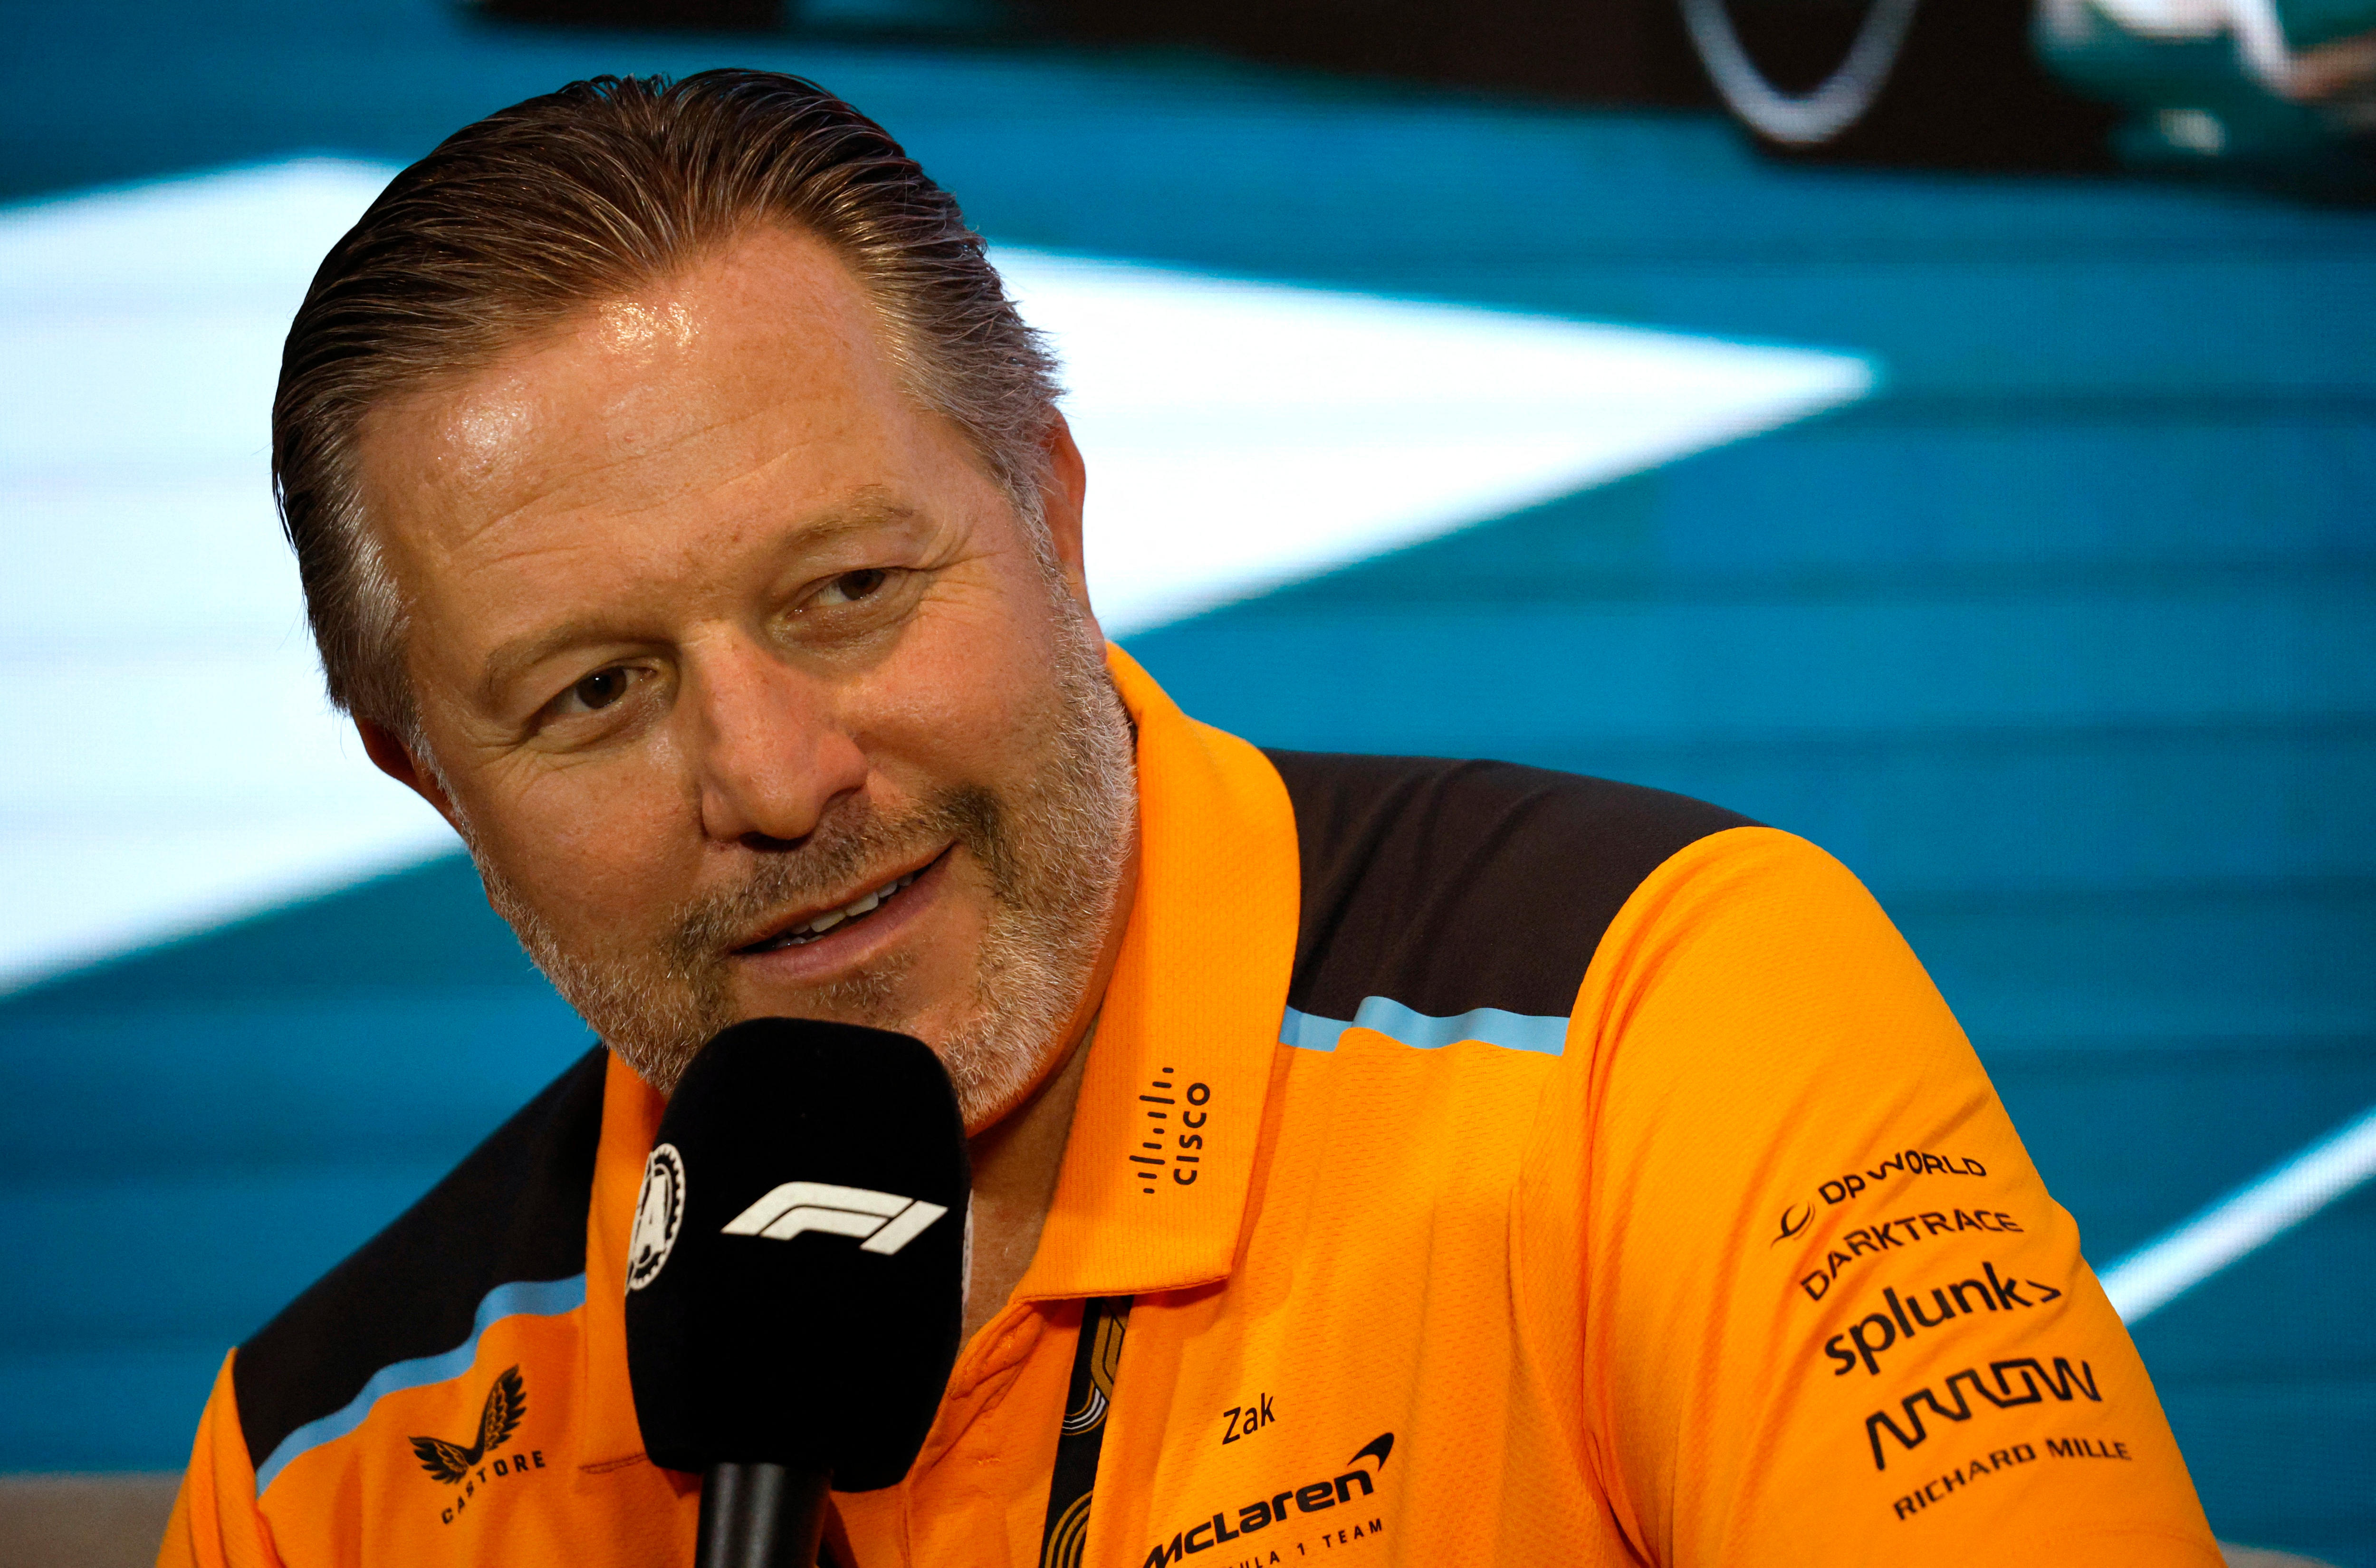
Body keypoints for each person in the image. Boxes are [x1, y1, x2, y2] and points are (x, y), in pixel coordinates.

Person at [160, 69, 2224, 1568]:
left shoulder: (1644, 1012)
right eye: (595, 693)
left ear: (1051, 516)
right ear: (431, 780)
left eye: (847, 595)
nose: (775, 782)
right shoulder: (322, 1464)